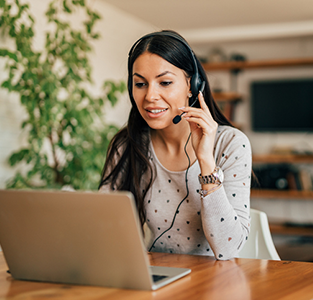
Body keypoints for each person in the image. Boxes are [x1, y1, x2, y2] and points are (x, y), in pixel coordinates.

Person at [99, 30, 251, 260]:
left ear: (192, 85)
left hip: (218, 281)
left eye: (165, 82)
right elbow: (104, 229)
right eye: (140, 83)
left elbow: (227, 250)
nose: (150, 95)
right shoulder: (128, 144)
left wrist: (206, 162)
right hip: (158, 278)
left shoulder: (230, 144)